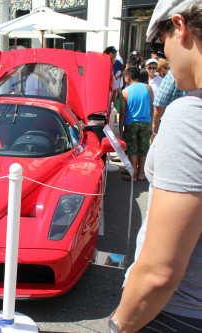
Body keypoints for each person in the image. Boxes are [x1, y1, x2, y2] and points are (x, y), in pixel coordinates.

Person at [111, 1, 202, 332]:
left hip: (175, 313)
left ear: (180, 27)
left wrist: (118, 325)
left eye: (162, 45)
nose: (165, 60)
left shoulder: (191, 116)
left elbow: (158, 274)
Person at [119, 66, 153, 182]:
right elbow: (152, 107)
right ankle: (141, 173)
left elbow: (122, 113)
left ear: (128, 77)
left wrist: (120, 129)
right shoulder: (148, 88)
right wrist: (153, 123)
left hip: (131, 123)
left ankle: (132, 174)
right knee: (143, 148)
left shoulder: (124, 92)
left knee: (132, 149)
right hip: (146, 122)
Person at [151, 70, 190, 143]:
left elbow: (160, 103)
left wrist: (155, 121)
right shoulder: (198, 74)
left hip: (174, 125)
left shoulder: (172, 75)